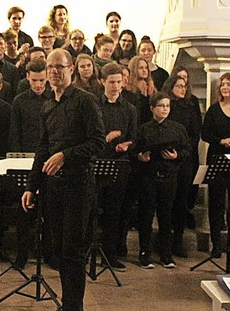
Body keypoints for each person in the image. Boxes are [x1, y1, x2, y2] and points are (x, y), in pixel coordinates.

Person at [22, 48, 105, 310]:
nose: (54, 72)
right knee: (56, 250)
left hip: (78, 185)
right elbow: (43, 148)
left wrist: (65, 156)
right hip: (53, 187)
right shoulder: (48, 104)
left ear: (71, 69)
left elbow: (98, 142)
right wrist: (31, 186)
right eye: (50, 67)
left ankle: (73, 306)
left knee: (73, 251)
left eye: (60, 67)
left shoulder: (85, 101)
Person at [134, 91, 190, 269]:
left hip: (169, 176)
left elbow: (186, 150)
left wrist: (176, 155)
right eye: (161, 106)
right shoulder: (143, 129)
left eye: (167, 106)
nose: (165, 109)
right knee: (146, 214)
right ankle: (145, 253)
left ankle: (166, 254)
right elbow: (135, 150)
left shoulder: (177, 128)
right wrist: (140, 157)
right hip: (148, 176)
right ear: (152, 108)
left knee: (166, 215)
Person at [201, 72, 230, 258]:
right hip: (218, 160)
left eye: (228, 84)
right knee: (216, 204)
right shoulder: (214, 110)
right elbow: (205, 134)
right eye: (222, 84)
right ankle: (216, 246)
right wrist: (221, 141)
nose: (224, 87)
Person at [95, 63, 138, 271]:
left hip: (119, 165)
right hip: (96, 164)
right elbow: (85, 136)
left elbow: (133, 137)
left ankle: (109, 255)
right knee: (92, 210)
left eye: (119, 82)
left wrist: (126, 144)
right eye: (111, 82)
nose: (115, 86)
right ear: (102, 81)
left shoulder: (129, 109)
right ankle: (87, 251)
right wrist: (106, 139)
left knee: (114, 212)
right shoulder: (94, 105)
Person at [10, 58, 50, 269]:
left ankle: (49, 254)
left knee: (50, 210)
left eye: (42, 80)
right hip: (25, 160)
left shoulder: (53, 98)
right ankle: (22, 255)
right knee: (23, 211)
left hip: (48, 160)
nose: (38, 85)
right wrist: (19, 158)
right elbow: (15, 133)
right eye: (34, 80)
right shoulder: (19, 101)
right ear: (27, 77)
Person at [161, 75, 201, 258]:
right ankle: (165, 244)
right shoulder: (166, 106)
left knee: (181, 202)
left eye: (185, 86)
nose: (183, 89)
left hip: (184, 159)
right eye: (179, 86)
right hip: (165, 160)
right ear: (171, 87)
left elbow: (195, 134)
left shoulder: (191, 106)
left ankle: (178, 240)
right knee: (166, 203)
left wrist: (181, 152)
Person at [127, 55, 157, 124]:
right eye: (140, 68)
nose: (144, 70)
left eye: (146, 68)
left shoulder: (151, 87)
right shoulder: (129, 88)